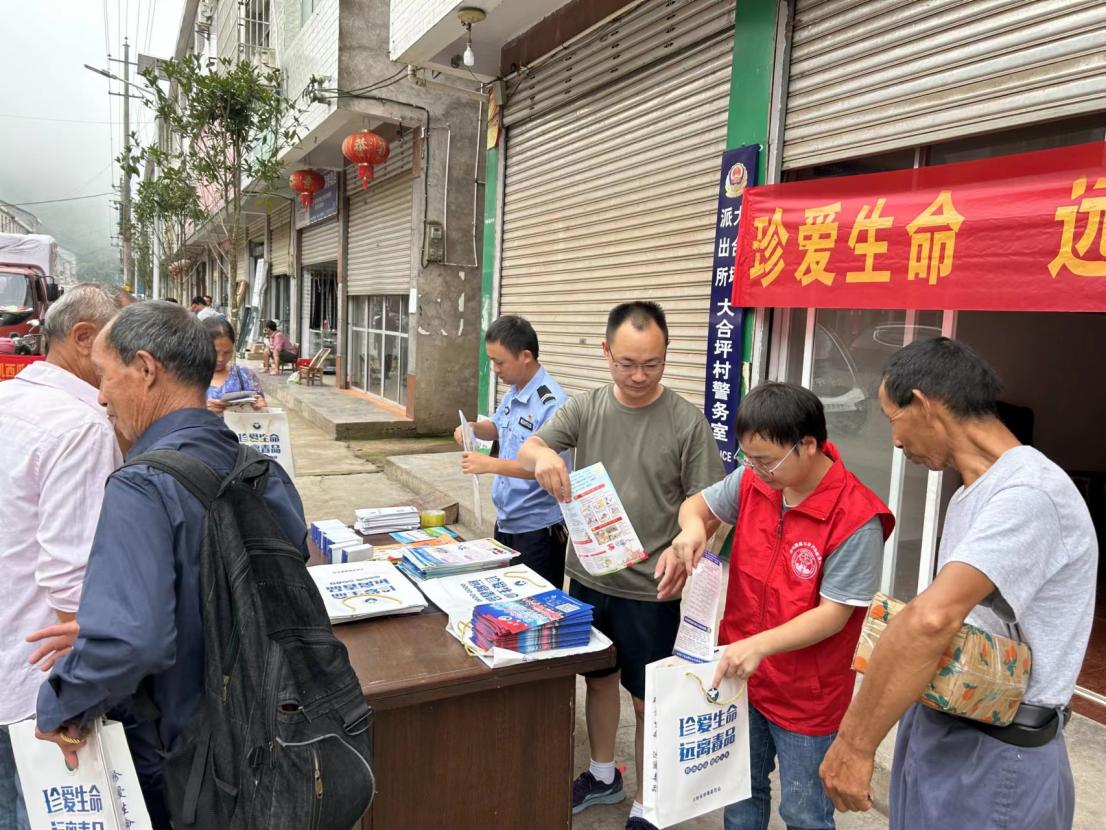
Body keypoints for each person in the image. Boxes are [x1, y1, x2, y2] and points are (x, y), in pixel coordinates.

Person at [33, 301, 311, 828]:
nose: (100, 395)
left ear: (145, 369)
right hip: (268, 737)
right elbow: (267, 584)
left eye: (104, 375)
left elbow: (134, 640)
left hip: (190, 763)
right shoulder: (259, 468)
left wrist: (62, 705)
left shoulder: (141, 484)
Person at [819, 337, 1097, 829]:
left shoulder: (1030, 493)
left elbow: (932, 620)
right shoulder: (973, 493)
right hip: (945, 729)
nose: (896, 442)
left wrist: (854, 745)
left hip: (995, 757)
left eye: (893, 421)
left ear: (925, 405)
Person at [517, 301, 723, 830]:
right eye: (626, 362)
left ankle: (650, 799)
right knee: (599, 680)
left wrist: (690, 539)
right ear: (606, 352)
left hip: (652, 588)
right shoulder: (585, 409)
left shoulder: (686, 422)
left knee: (647, 698)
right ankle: (603, 773)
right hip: (587, 577)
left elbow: (711, 506)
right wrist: (542, 455)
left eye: (651, 364)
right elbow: (533, 445)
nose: (637, 375)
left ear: (666, 356)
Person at [662, 382, 893, 830]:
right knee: (740, 793)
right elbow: (697, 506)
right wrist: (691, 531)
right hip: (742, 677)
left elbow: (833, 614)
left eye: (766, 460)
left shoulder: (856, 516)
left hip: (808, 696)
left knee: (804, 811)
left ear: (808, 445)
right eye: (749, 458)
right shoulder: (754, 480)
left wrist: (759, 645)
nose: (756, 469)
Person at [0, 284, 127, 830]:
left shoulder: (11, 400)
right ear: (83, 339)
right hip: (36, 686)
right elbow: (72, 582)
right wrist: (72, 695)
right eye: (124, 348)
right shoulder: (81, 429)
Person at [454, 315, 570, 586]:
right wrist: (472, 428)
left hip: (538, 531)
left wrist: (490, 465)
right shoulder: (515, 390)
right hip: (507, 521)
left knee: (535, 608)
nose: (494, 368)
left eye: (499, 361)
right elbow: (499, 425)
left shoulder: (551, 404)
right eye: (491, 360)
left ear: (525, 356)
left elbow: (548, 472)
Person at [204, 316, 267, 412]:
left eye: (227, 352)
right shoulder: (187, 378)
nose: (220, 359)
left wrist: (261, 407)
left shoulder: (245, 375)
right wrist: (201, 410)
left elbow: (262, 415)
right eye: (215, 352)